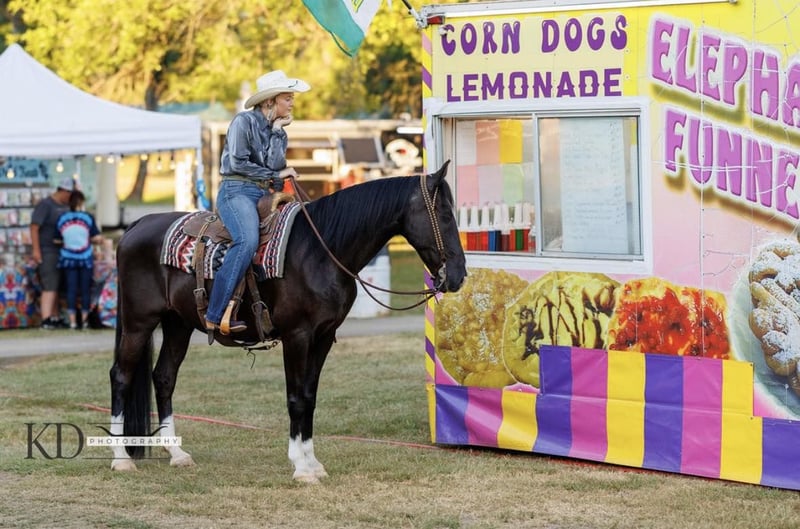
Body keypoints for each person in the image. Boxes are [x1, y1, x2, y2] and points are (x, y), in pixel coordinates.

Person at [205, 70, 309, 335]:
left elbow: (275, 165)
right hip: (236, 191)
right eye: (287, 98)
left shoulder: (278, 131)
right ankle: (214, 313)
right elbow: (238, 162)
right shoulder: (243, 121)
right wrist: (276, 175)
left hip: (263, 193)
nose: (292, 103)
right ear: (270, 101)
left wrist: (277, 132)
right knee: (247, 240)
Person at [55, 190, 103, 330]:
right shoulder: (87, 217)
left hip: (68, 258)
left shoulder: (62, 218)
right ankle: (84, 321)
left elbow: (56, 239)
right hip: (85, 258)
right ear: (82, 202)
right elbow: (96, 237)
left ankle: (72, 322)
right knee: (85, 290)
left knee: (71, 290)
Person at [30, 177, 73, 329]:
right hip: (47, 250)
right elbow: (34, 227)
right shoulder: (45, 205)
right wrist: (36, 250)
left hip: (63, 251)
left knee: (57, 286)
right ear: (63, 191)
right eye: (69, 193)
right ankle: (46, 318)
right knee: (50, 284)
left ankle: (54, 317)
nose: (69, 197)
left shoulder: (66, 206)